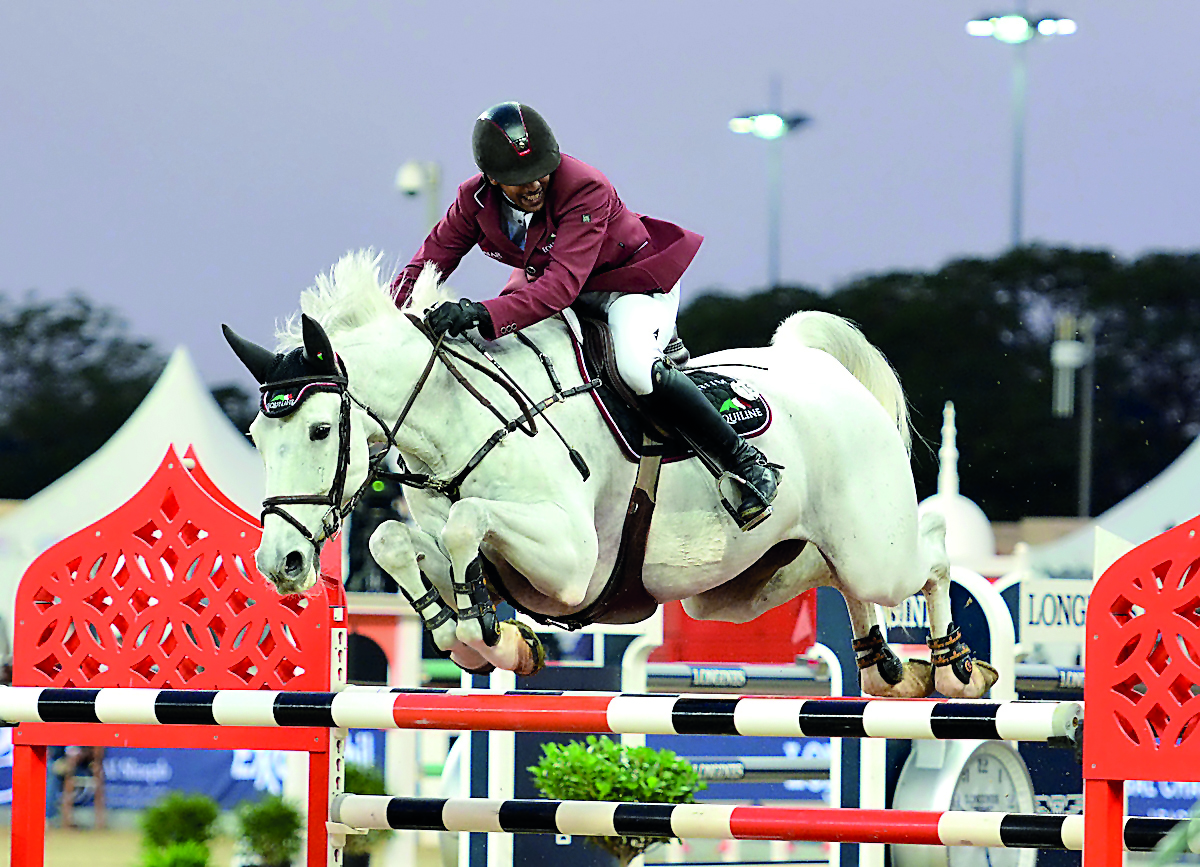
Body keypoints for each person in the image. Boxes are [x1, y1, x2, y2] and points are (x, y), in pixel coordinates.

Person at [393, 101, 777, 527]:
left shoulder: (583, 186)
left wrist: (479, 311)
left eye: (541, 169)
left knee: (634, 369)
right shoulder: (472, 199)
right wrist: (394, 320)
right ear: (491, 177)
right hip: (556, 286)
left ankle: (745, 463)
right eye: (519, 180)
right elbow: (427, 261)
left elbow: (560, 287)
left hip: (629, 286)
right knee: (500, 354)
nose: (535, 183)